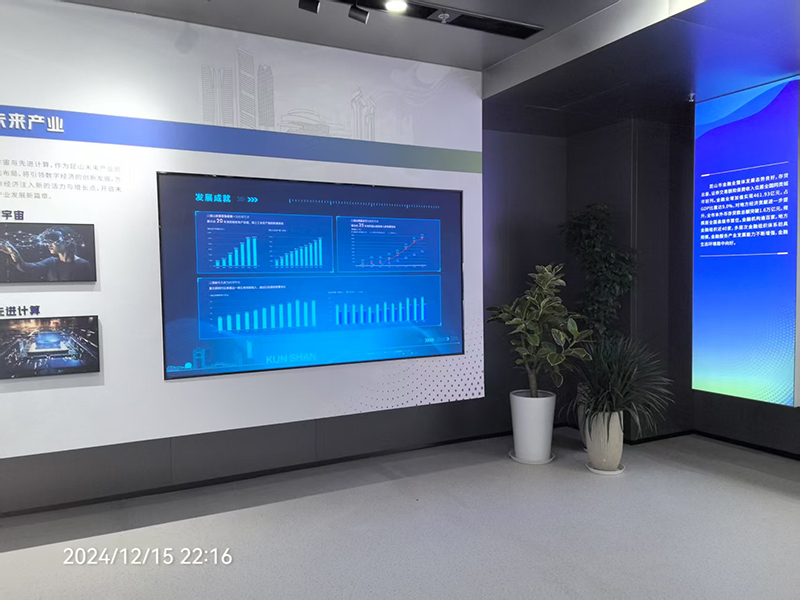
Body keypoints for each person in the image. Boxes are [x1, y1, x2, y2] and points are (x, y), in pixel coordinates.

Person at [0, 227, 94, 282]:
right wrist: (13, 252)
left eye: (53, 241)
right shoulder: (51, 262)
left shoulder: (83, 264)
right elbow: (26, 267)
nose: (49, 245)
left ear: (67, 242)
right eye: (48, 241)